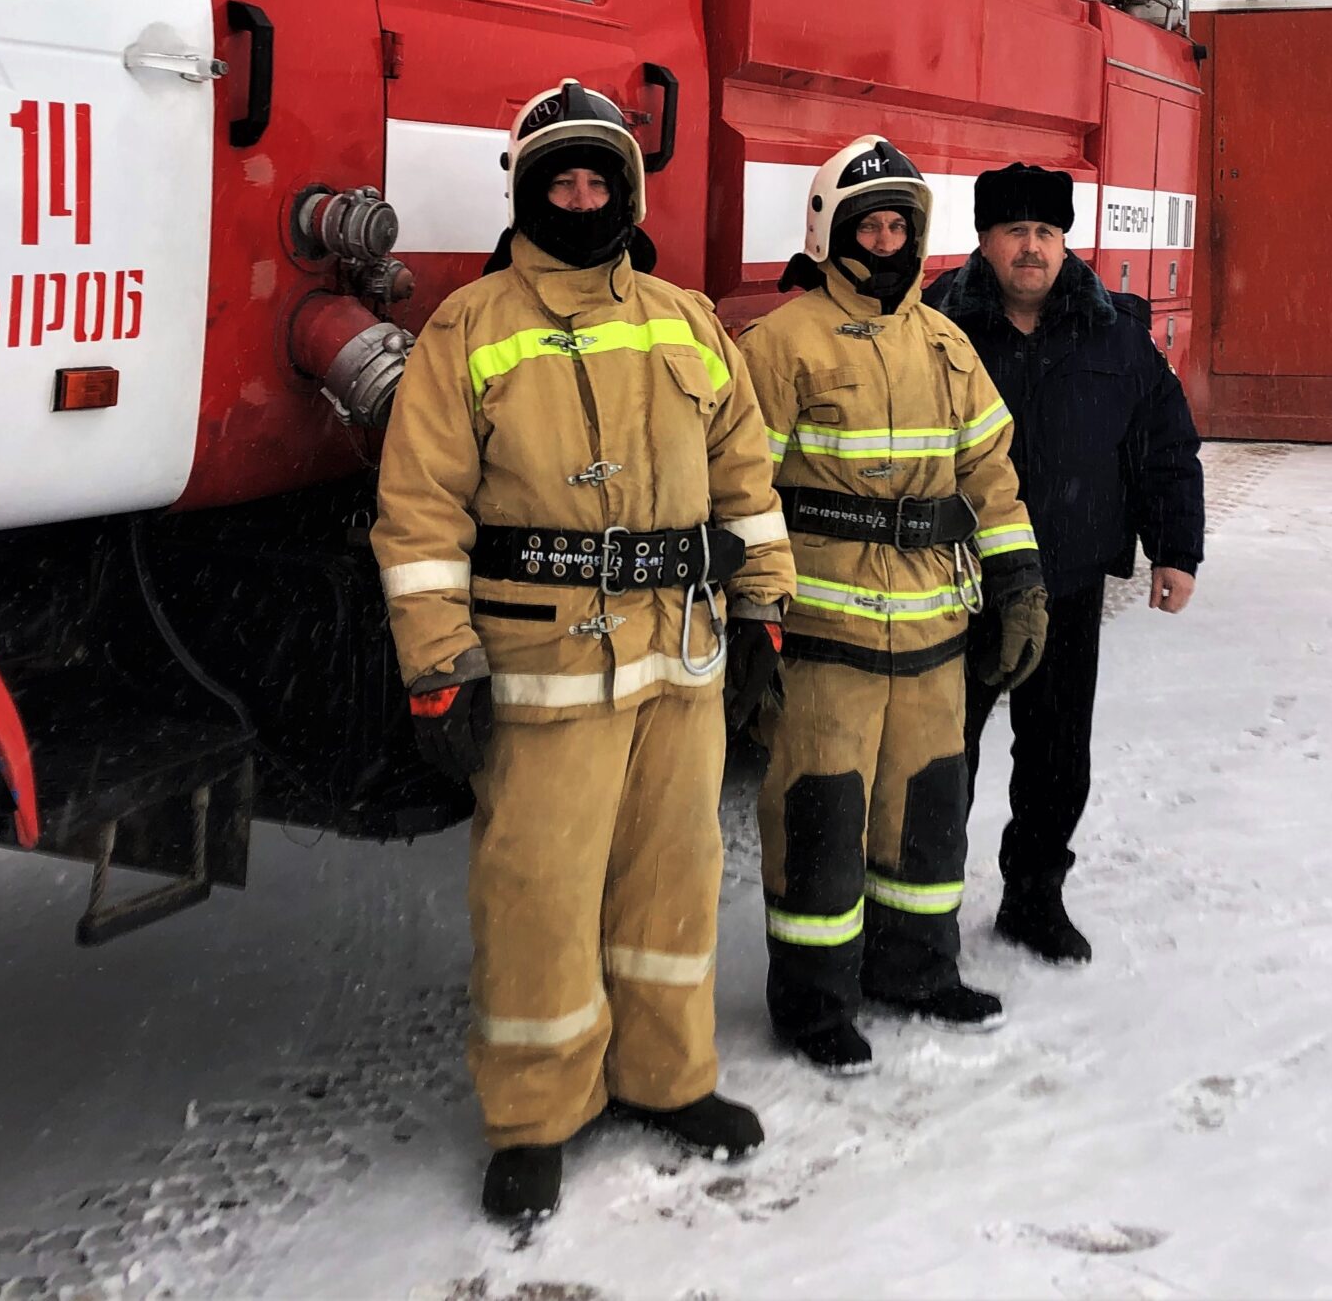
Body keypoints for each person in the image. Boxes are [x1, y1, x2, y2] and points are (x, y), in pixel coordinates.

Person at [371, 79, 796, 1227]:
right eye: (557, 177)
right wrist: (439, 662)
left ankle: (668, 1079)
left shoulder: (689, 318)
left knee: (675, 882)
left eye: (596, 177)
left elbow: (746, 478)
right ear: (523, 190)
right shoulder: (467, 329)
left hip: (684, 661)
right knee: (538, 895)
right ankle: (535, 1116)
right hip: (542, 670)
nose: (578, 194)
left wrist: (763, 608)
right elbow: (418, 515)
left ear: (627, 191)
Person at [737, 137, 1048, 1077]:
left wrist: (1019, 582)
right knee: (821, 820)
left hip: (933, 634)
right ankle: (814, 1003)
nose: (886, 238)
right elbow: (741, 486)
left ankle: (915, 970)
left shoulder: (947, 346)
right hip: (825, 638)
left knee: (924, 813)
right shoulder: (782, 344)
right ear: (831, 231)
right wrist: (752, 612)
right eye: (869, 223)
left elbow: (991, 475)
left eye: (899, 225)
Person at [930, 163, 1206, 967]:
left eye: (1046, 232)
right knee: (941, 758)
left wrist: (1176, 550)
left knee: (1055, 759)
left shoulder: (1112, 332)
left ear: (1066, 241)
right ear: (983, 240)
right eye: (1015, 231)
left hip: (1067, 579)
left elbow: (1166, 446)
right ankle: (925, 908)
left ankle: (1034, 897)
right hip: (959, 581)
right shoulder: (938, 326)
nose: (1031, 248)